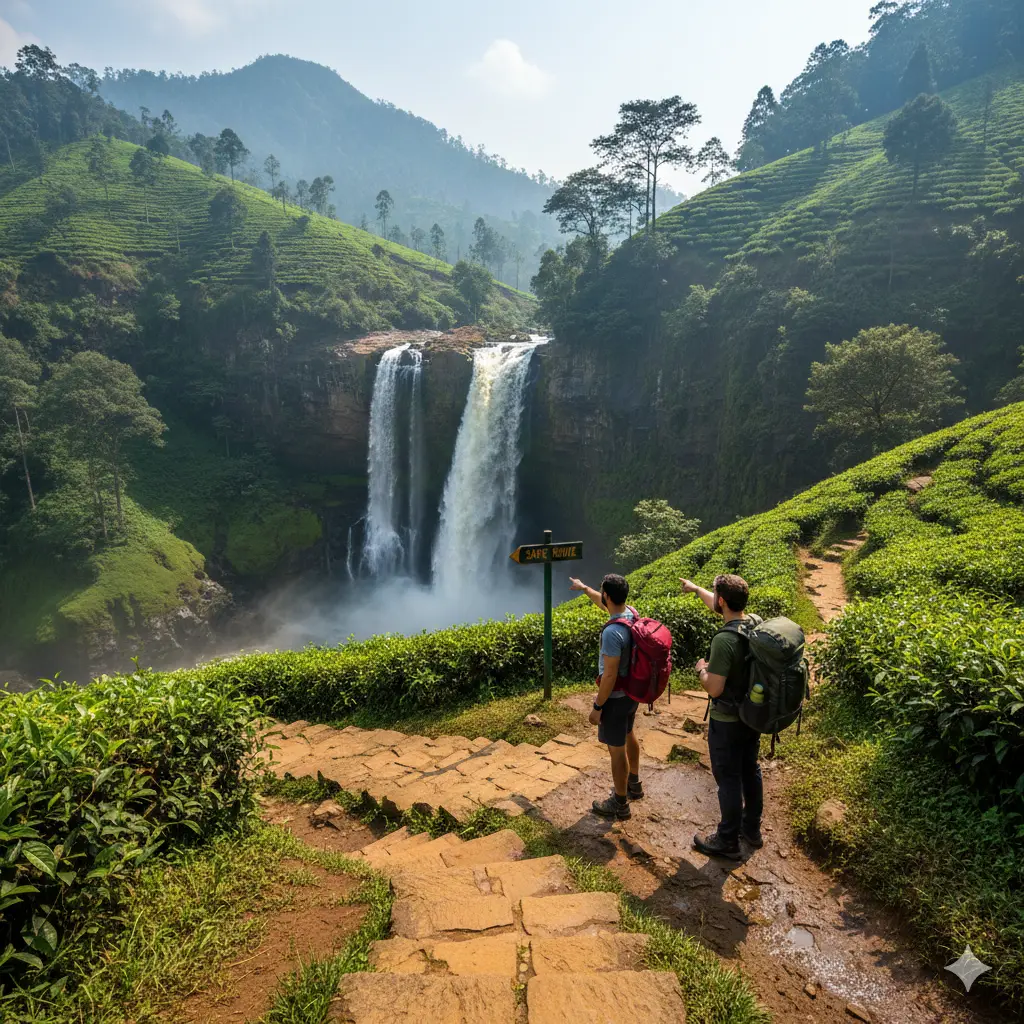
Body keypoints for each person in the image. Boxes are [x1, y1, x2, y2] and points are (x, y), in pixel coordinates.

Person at [681, 573, 764, 860]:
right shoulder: (754, 621)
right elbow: (718, 605)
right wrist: (696, 589)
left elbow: (715, 688)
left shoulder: (723, 641)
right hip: (751, 715)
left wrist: (701, 669)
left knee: (728, 778)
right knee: (750, 770)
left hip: (727, 721)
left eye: (716, 594)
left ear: (723, 601)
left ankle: (727, 838)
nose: (713, 599)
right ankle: (751, 829)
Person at [569, 573, 643, 820]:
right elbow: (602, 603)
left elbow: (609, 676)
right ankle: (634, 783)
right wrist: (584, 588)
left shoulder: (612, 633)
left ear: (608, 596)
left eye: (603, 593)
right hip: (632, 694)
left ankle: (620, 803)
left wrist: (597, 706)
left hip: (616, 697)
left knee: (616, 748)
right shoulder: (631, 613)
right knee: (629, 733)